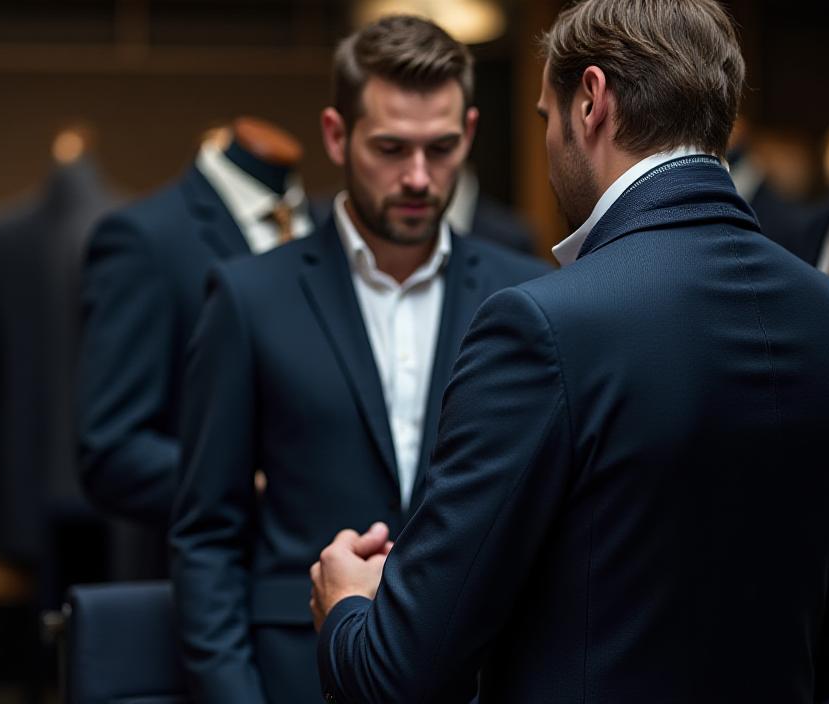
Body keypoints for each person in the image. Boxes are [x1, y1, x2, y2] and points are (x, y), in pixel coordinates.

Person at [309, 1, 829, 701]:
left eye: (543, 117)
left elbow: (402, 675)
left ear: (590, 102)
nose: (550, 144)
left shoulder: (542, 325)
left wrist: (345, 606)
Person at [169, 16, 550, 703]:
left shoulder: (526, 296)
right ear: (337, 135)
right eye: (390, 148)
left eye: (440, 149)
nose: (417, 177)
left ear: (468, 132)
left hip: (475, 678)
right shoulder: (249, 297)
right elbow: (206, 536)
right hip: (296, 676)